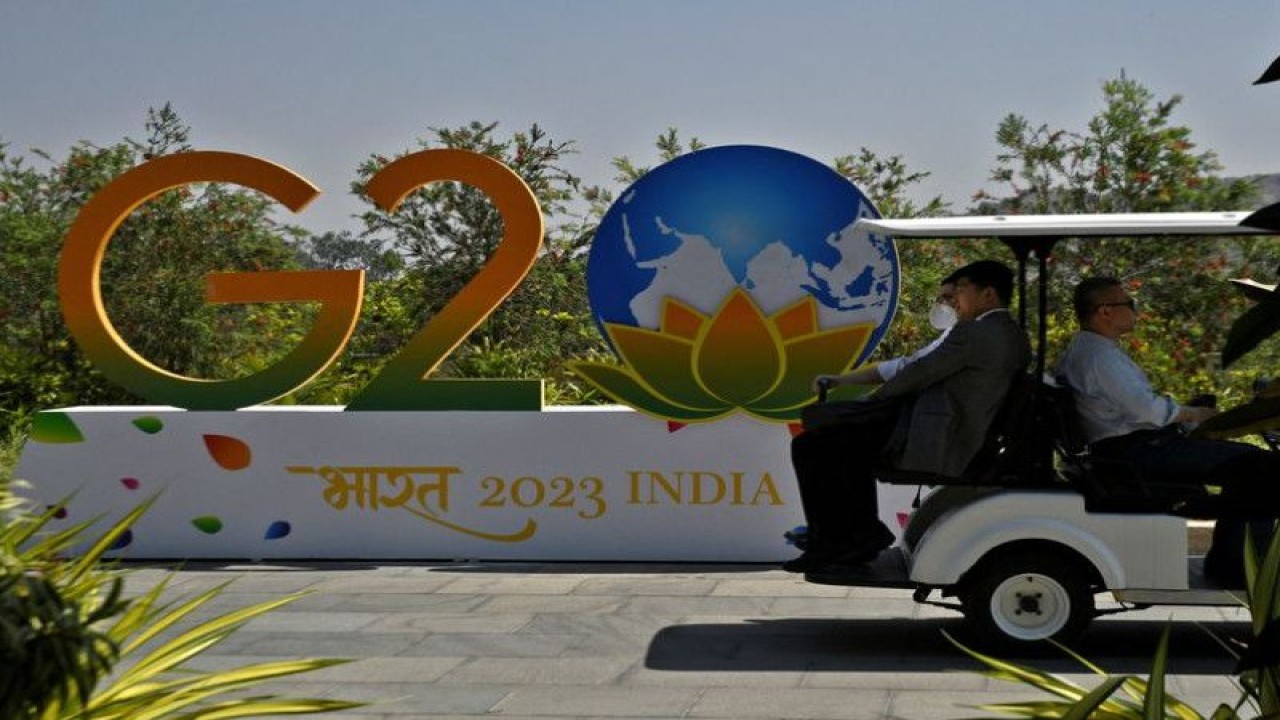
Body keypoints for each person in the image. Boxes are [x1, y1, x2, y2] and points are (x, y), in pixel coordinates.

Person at [784, 260, 1031, 573]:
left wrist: (867, 404)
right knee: (838, 442)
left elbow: (918, 373)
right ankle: (855, 536)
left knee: (810, 445)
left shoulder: (974, 333)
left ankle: (838, 542)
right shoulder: (1012, 334)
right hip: (957, 432)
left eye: (961, 290)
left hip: (939, 438)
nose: (955, 299)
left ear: (988, 295)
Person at [1056, 277, 1279, 587]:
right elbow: (1146, 410)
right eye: (1129, 304)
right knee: (1262, 467)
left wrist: (1188, 415)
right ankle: (1242, 569)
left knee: (1247, 468)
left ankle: (1231, 562)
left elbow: (1137, 406)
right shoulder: (1099, 357)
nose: (1135, 310)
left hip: (1138, 444)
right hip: (1139, 450)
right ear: (1105, 311)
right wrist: (1194, 414)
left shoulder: (1092, 350)